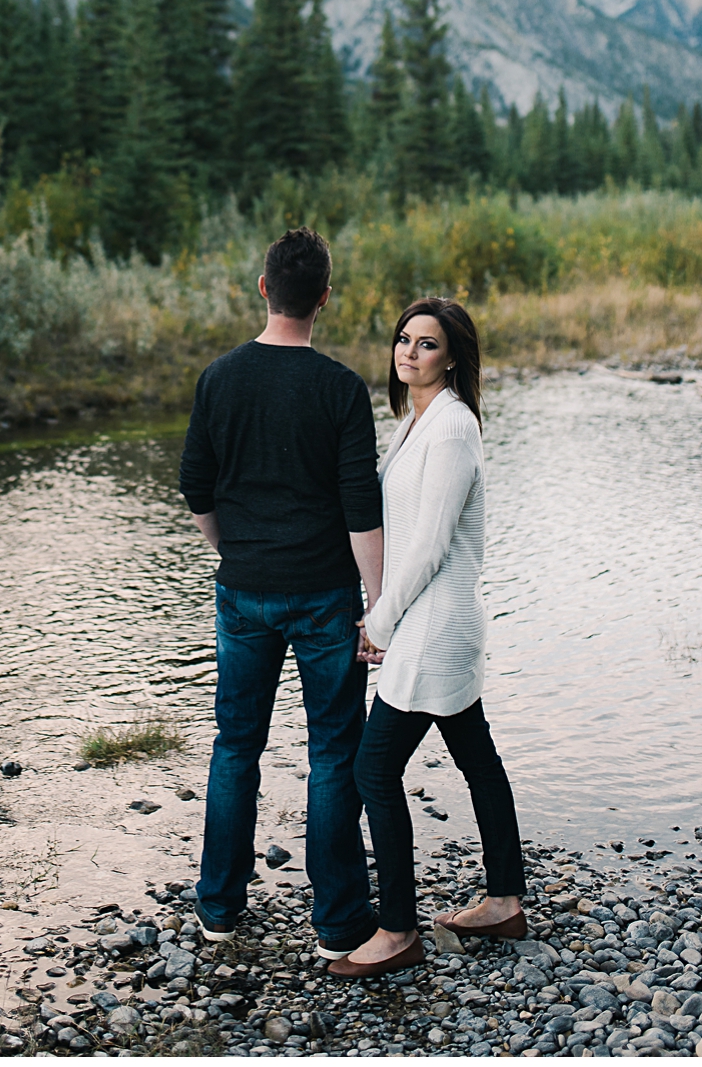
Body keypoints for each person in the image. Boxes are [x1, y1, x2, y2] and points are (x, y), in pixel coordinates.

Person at [179, 226, 385, 960]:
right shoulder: (339, 388)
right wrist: (379, 606)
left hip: (243, 592)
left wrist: (230, 548)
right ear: (324, 298)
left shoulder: (218, 378)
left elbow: (195, 487)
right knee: (334, 752)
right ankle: (336, 926)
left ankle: (220, 909)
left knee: (236, 745)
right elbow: (363, 508)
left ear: (264, 287)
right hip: (326, 593)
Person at [328, 295, 527, 980]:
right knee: (476, 755)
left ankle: (397, 929)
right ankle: (504, 898)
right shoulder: (416, 423)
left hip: (436, 623)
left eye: (428, 343)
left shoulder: (450, 428)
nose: (409, 352)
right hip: (428, 619)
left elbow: (433, 543)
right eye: (404, 339)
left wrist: (379, 619)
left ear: (454, 356)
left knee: (373, 769)